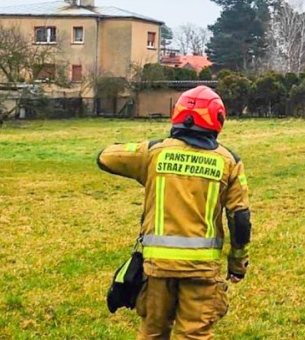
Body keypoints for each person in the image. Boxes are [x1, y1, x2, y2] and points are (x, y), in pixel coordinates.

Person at [97, 86, 251, 340]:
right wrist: (237, 264)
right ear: (218, 119)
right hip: (202, 270)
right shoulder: (229, 162)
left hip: (157, 268)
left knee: (152, 332)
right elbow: (240, 219)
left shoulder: (154, 153)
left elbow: (104, 157)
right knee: (194, 334)